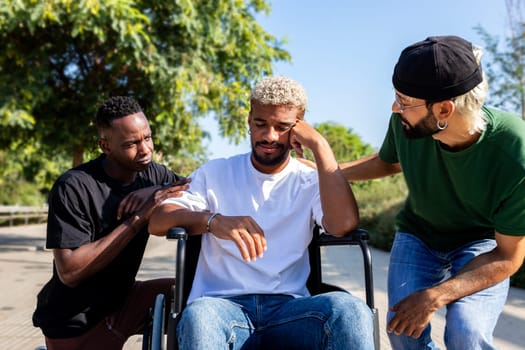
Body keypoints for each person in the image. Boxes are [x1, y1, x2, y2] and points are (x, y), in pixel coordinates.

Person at [149, 76, 375, 349]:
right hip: (220, 308)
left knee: (350, 311)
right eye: (260, 124)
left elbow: (343, 225)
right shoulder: (215, 172)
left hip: (291, 311)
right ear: (249, 121)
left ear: (299, 127)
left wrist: (320, 146)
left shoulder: (310, 179)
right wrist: (212, 221)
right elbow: (159, 220)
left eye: (282, 127)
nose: (269, 136)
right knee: (198, 318)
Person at [340, 35, 525, 349]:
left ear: (444, 109)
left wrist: (434, 297)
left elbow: (509, 256)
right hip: (420, 235)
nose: (395, 107)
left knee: (467, 332)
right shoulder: (408, 122)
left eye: (405, 100)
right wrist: (325, 171)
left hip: (484, 244)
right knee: (402, 329)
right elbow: (387, 162)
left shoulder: (515, 154)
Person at [32, 96, 189, 350]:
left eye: (147, 138)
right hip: (77, 322)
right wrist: (139, 217)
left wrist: (155, 191)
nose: (145, 149)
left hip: (123, 299)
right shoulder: (73, 186)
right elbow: (70, 272)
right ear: (105, 146)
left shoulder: (151, 174)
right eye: (131, 143)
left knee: (192, 293)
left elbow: (193, 187)